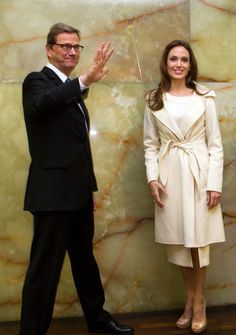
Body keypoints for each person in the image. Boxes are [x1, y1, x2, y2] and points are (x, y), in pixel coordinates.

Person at [19, 23, 134, 335]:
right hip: (52, 196)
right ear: (49, 49)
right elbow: (43, 105)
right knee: (44, 271)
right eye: (65, 46)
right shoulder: (36, 82)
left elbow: (78, 146)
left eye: (76, 47)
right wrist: (85, 80)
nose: (71, 52)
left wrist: (89, 191)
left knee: (85, 263)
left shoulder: (71, 90)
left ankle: (97, 320)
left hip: (78, 195)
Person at [143, 40, 225, 333]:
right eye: (173, 59)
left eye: (184, 60)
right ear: (165, 63)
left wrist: (214, 183)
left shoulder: (205, 98)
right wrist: (153, 178)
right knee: (180, 242)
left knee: (199, 241)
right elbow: (150, 145)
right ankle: (188, 299)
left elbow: (215, 145)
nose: (178, 64)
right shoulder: (154, 99)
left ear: (191, 65)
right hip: (170, 176)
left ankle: (199, 300)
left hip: (199, 174)